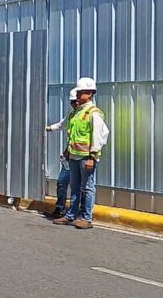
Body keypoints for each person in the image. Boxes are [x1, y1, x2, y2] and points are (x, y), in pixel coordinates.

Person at [53, 77, 109, 229]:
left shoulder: (93, 113)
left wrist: (92, 156)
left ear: (90, 93)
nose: (77, 95)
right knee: (75, 186)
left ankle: (86, 218)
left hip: (86, 157)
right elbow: (69, 131)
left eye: (80, 92)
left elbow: (98, 136)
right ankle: (71, 215)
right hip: (74, 155)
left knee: (87, 187)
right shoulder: (77, 112)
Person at [45, 88, 79, 219]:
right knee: (61, 182)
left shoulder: (88, 115)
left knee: (79, 187)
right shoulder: (71, 115)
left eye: (76, 101)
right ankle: (60, 208)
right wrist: (46, 129)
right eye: (73, 102)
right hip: (70, 156)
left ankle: (77, 213)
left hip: (81, 157)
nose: (75, 104)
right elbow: (60, 125)